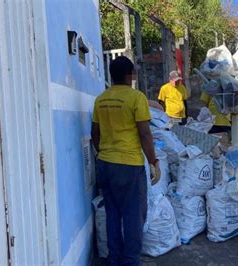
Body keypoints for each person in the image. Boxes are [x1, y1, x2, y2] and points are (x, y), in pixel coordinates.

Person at [91, 56, 161, 266]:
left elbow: (95, 133)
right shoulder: (136, 98)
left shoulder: (100, 99)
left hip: (105, 164)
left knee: (112, 214)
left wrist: (102, 153)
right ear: (130, 75)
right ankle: (130, 261)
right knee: (133, 217)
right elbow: (145, 134)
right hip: (129, 166)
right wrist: (153, 161)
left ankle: (114, 259)